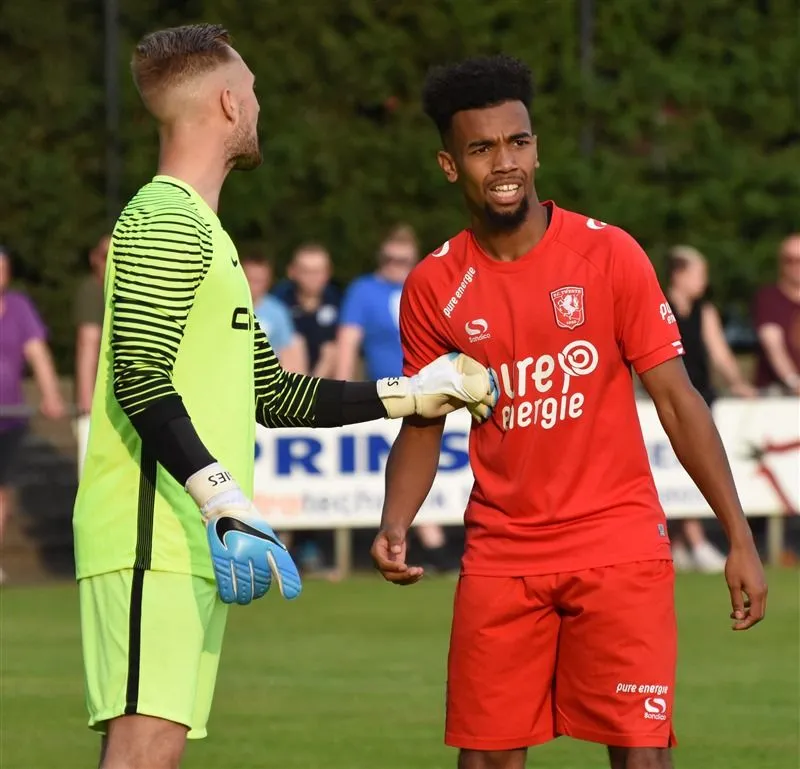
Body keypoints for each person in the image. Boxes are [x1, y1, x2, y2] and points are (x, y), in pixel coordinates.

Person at [72, 24, 496, 769]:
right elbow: (137, 374)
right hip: (151, 538)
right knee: (142, 754)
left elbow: (273, 393)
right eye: (256, 93)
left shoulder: (208, 232)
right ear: (230, 103)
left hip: (186, 541)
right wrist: (221, 497)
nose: (262, 108)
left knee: (151, 753)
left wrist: (412, 392)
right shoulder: (163, 216)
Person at [370, 55, 767, 769]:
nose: (505, 162)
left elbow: (678, 400)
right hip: (502, 552)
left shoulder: (609, 253)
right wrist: (396, 520)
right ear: (448, 164)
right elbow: (422, 421)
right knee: (486, 757)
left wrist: (737, 533)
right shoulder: (433, 285)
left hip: (618, 545)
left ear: (537, 148)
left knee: (641, 757)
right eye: (481, 147)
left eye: (517, 142)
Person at [338, 225, 460, 574]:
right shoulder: (364, 291)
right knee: (400, 466)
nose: (396, 266)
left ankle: (429, 541)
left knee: (436, 466)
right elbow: (348, 344)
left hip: (433, 395)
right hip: (386, 397)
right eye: (390, 259)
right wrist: (344, 395)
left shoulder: (428, 286)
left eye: (403, 260)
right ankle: (428, 544)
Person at [664, 245, 757, 572]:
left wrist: (736, 383)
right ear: (679, 273)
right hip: (665, 402)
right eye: (698, 273)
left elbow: (720, 353)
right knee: (674, 473)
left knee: (698, 466)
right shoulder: (659, 306)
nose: (703, 280)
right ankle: (691, 540)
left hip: (702, 398)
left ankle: (689, 541)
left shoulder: (706, 312)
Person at [0, 245, 65, 583]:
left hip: (8, 418)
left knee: (2, 490)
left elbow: (37, 353)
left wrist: (51, 394)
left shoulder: (20, 308)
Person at [273, 243, 341, 378]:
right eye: (306, 271)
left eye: (318, 271)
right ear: (292, 272)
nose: (312, 278)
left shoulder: (336, 299)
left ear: (328, 273)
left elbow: (334, 348)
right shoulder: (279, 301)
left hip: (325, 379)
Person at [74, 234, 110, 476]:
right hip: (100, 404)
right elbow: (88, 342)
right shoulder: (93, 290)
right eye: (106, 256)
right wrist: (88, 402)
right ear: (94, 259)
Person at [241, 251, 307, 374]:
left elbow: (287, 352)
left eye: (259, 281)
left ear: (268, 281)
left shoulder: (277, 312)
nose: (254, 286)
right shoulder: (226, 308)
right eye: (250, 279)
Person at [752, 233, 800, 395]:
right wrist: (794, 382)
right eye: (789, 260)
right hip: (778, 392)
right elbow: (773, 344)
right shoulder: (769, 299)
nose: (795, 266)